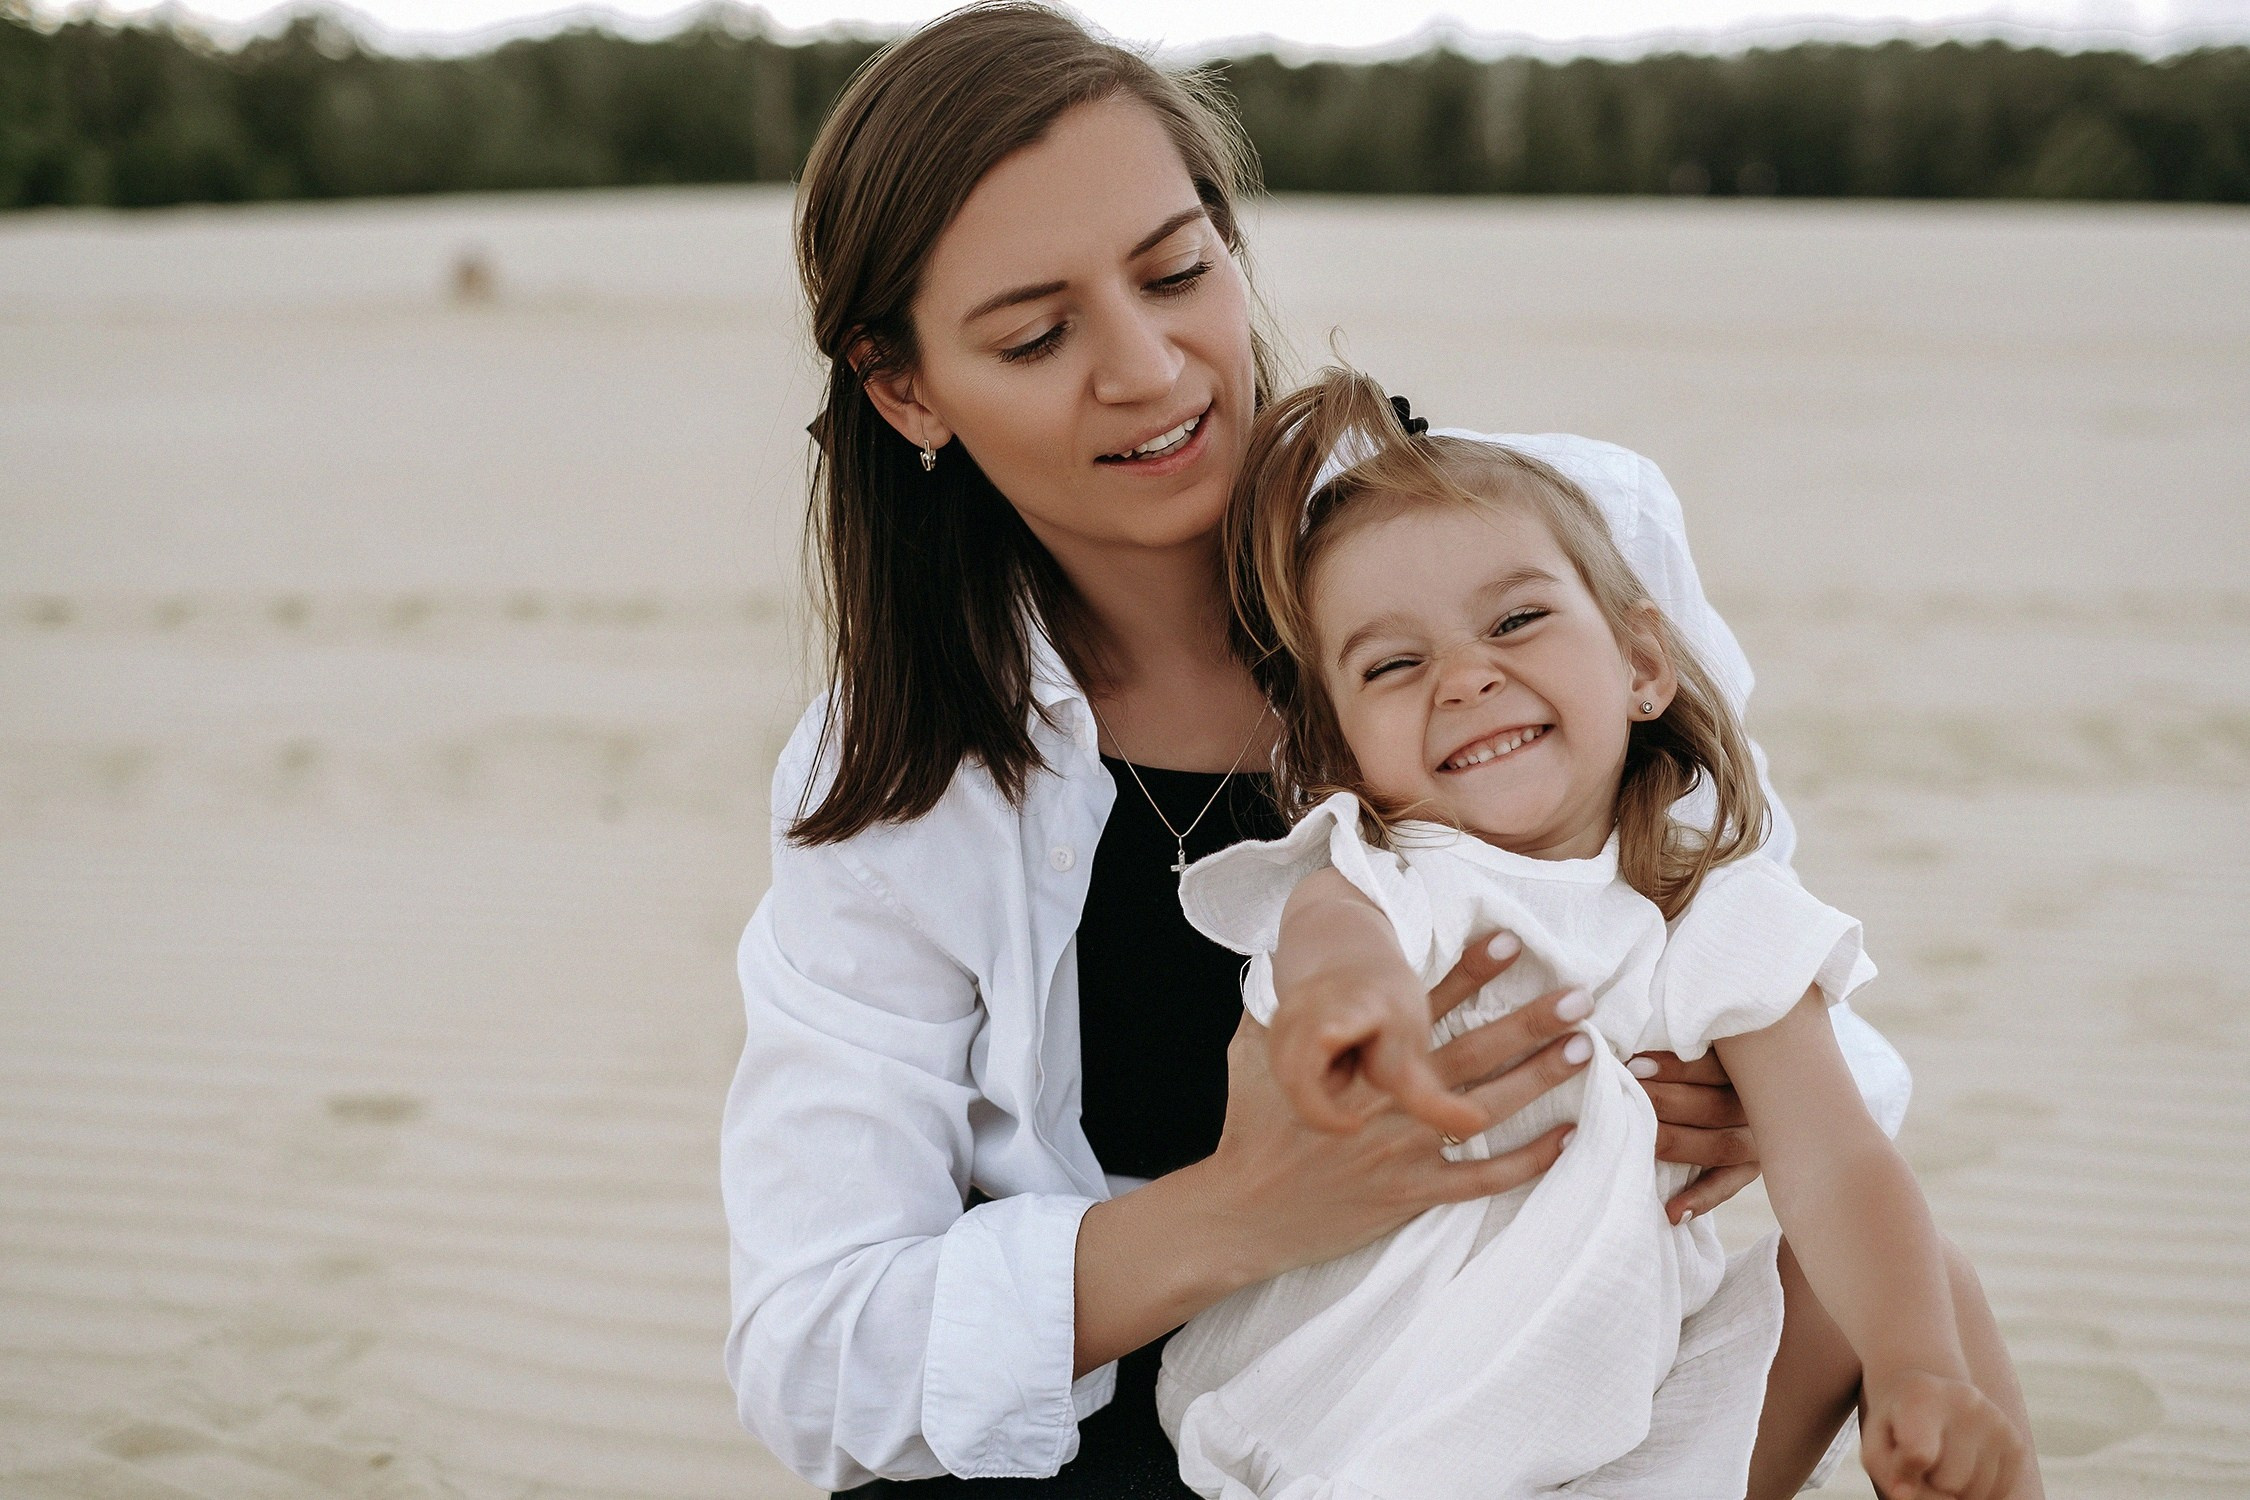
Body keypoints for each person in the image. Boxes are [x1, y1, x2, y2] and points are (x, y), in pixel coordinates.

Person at [720, 4, 1917, 1492]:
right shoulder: (896, 774)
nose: (1150, 368)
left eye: (1176, 271)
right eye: (1036, 335)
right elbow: (815, 1352)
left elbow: (1779, 962)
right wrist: (1251, 1208)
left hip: (1501, 1417)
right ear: (905, 388)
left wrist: (1740, 1091)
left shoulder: (1544, 553)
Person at [1152, 367, 2040, 1499]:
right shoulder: (1383, 872)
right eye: (1395, 664)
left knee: (1927, 1295)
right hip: (1383, 1431)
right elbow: (1336, 945)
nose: (1468, 677)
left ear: (1641, 664)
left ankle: (1965, 1452)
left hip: (1628, 1418)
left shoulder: (1709, 909)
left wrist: (1917, 1366)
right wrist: (1348, 1008)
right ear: (1337, 756)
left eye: (1516, 620)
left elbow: (1836, 1159)